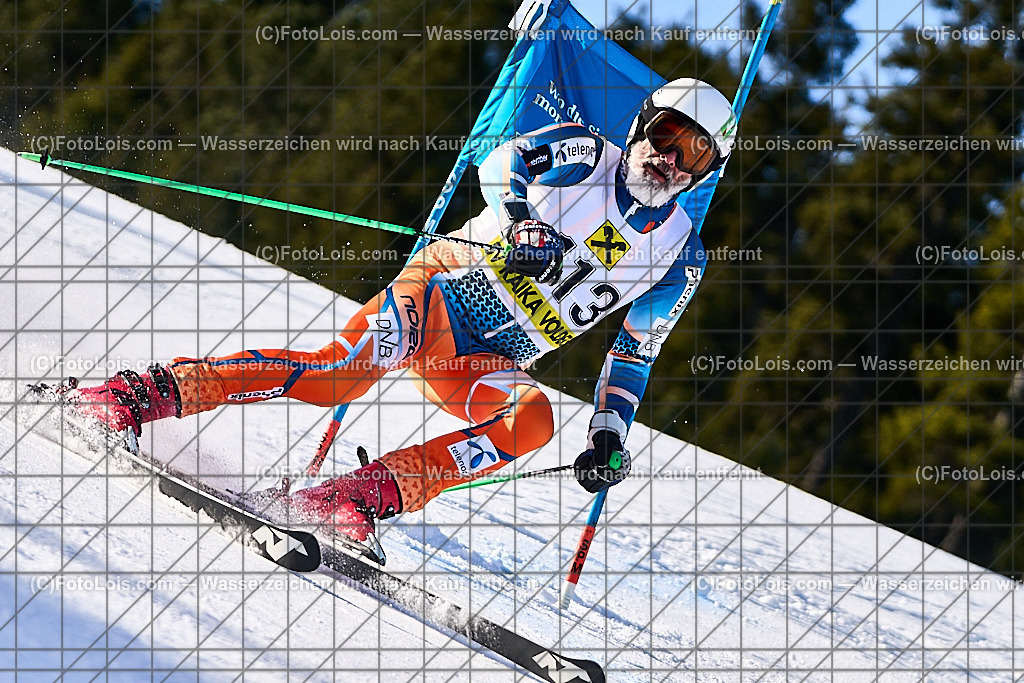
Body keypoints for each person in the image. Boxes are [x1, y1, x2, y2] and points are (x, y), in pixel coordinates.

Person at [64, 78, 737, 543]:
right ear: (643, 121)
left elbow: (634, 354)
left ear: (705, 172)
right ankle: (138, 392)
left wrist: (609, 435)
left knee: (532, 418)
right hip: (442, 289)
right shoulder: (589, 153)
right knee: (337, 375)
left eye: (694, 151)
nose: (670, 156)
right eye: (667, 131)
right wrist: (519, 220)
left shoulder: (681, 258)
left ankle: (356, 496)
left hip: (485, 357)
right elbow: (502, 164)